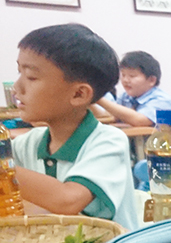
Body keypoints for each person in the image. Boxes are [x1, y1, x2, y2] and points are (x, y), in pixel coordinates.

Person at [11, 24, 138, 230]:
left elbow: (68, 200)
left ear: (79, 94)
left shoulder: (108, 141)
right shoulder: (27, 143)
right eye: (19, 73)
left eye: (31, 77)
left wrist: (5, 172)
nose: (17, 87)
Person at [96, 51, 171, 127]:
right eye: (123, 75)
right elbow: (111, 116)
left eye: (132, 76)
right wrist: (92, 102)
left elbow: (140, 121)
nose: (125, 80)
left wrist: (99, 99)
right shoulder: (125, 97)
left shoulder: (161, 99)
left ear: (152, 80)